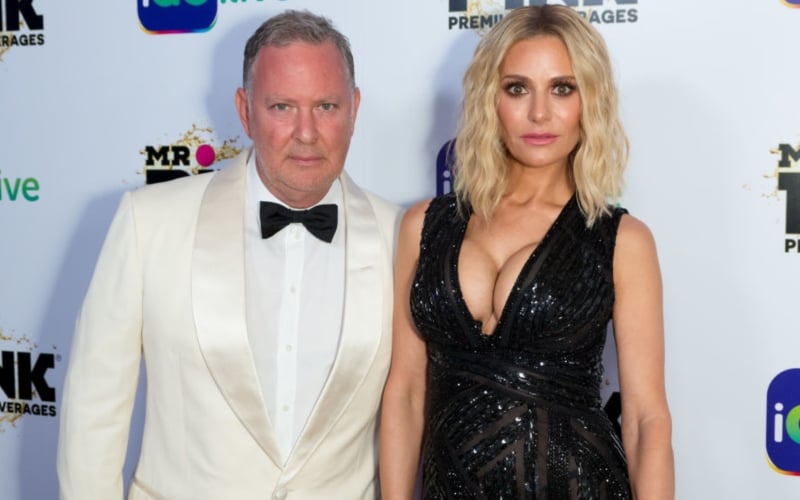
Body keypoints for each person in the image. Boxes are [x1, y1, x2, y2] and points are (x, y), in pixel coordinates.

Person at [57, 10, 401, 500]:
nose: (306, 132)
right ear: (244, 111)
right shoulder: (148, 222)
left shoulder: (401, 237)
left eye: (326, 106)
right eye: (282, 107)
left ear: (354, 108)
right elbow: (94, 413)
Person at [380, 5, 673, 499]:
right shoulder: (423, 225)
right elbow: (406, 393)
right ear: (490, 99)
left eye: (563, 88)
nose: (540, 113)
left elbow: (647, 419)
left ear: (590, 100)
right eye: (517, 88)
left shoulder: (622, 240)